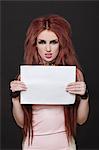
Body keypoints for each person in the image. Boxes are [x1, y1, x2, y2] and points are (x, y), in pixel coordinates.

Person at [10, 14, 89, 150]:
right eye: (42, 42)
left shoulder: (74, 74)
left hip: (65, 145)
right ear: (35, 44)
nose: (48, 49)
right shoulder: (25, 77)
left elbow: (80, 120)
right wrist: (15, 99)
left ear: (61, 43)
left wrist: (84, 97)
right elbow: (22, 123)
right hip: (33, 146)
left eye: (53, 42)